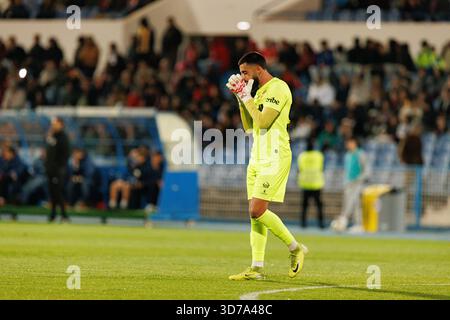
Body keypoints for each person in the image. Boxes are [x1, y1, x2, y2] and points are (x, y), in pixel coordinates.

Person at [226, 52, 308, 281]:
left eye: (245, 72)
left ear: (258, 70)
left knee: (257, 209)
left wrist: (247, 97)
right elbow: (249, 127)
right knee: (255, 215)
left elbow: (264, 122)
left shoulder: (278, 88)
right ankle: (256, 268)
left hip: (275, 155)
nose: (242, 76)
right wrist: (241, 98)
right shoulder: (259, 92)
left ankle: (295, 248)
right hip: (257, 155)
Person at [331, 137, 370, 233]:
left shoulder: (360, 154)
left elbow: (367, 170)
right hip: (348, 183)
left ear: (354, 143)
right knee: (351, 204)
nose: (348, 145)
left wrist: (360, 179)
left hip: (357, 183)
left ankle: (351, 222)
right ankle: (353, 223)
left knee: (354, 203)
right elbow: (347, 170)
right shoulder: (347, 155)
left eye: (350, 143)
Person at [45, 117, 71, 222]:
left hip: (58, 170)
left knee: (58, 192)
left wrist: (59, 168)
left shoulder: (63, 138)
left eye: (55, 124)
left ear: (61, 124)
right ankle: (53, 214)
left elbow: (64, 155)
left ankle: (64, 215)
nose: (53, 126)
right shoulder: (53, 136)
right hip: (51, 170)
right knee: (53, 193)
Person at [297, 140, 325, 229]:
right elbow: (321, 168)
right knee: (319, 205)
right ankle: (321, 224)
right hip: (316, 184)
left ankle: (303, 224)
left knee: (304, 206)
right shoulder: (319, 155)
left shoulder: (302, 156)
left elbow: (300, 169)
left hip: (305, 183)